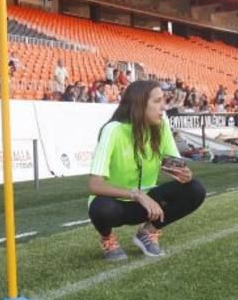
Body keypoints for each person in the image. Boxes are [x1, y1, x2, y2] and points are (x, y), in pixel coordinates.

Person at [88, 80, 206, 260]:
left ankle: (148, 232)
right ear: (140, 104)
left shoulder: (162, 126)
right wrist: (136, 195)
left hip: (149, 204)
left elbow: (172, 167)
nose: (163, 107)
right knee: (101, 208)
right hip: (118, 203)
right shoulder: (113, 130)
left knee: (195, 189)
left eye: (163, 101)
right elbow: (95, 185)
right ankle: (107, 238)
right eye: (157, 101)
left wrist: (184, 175)